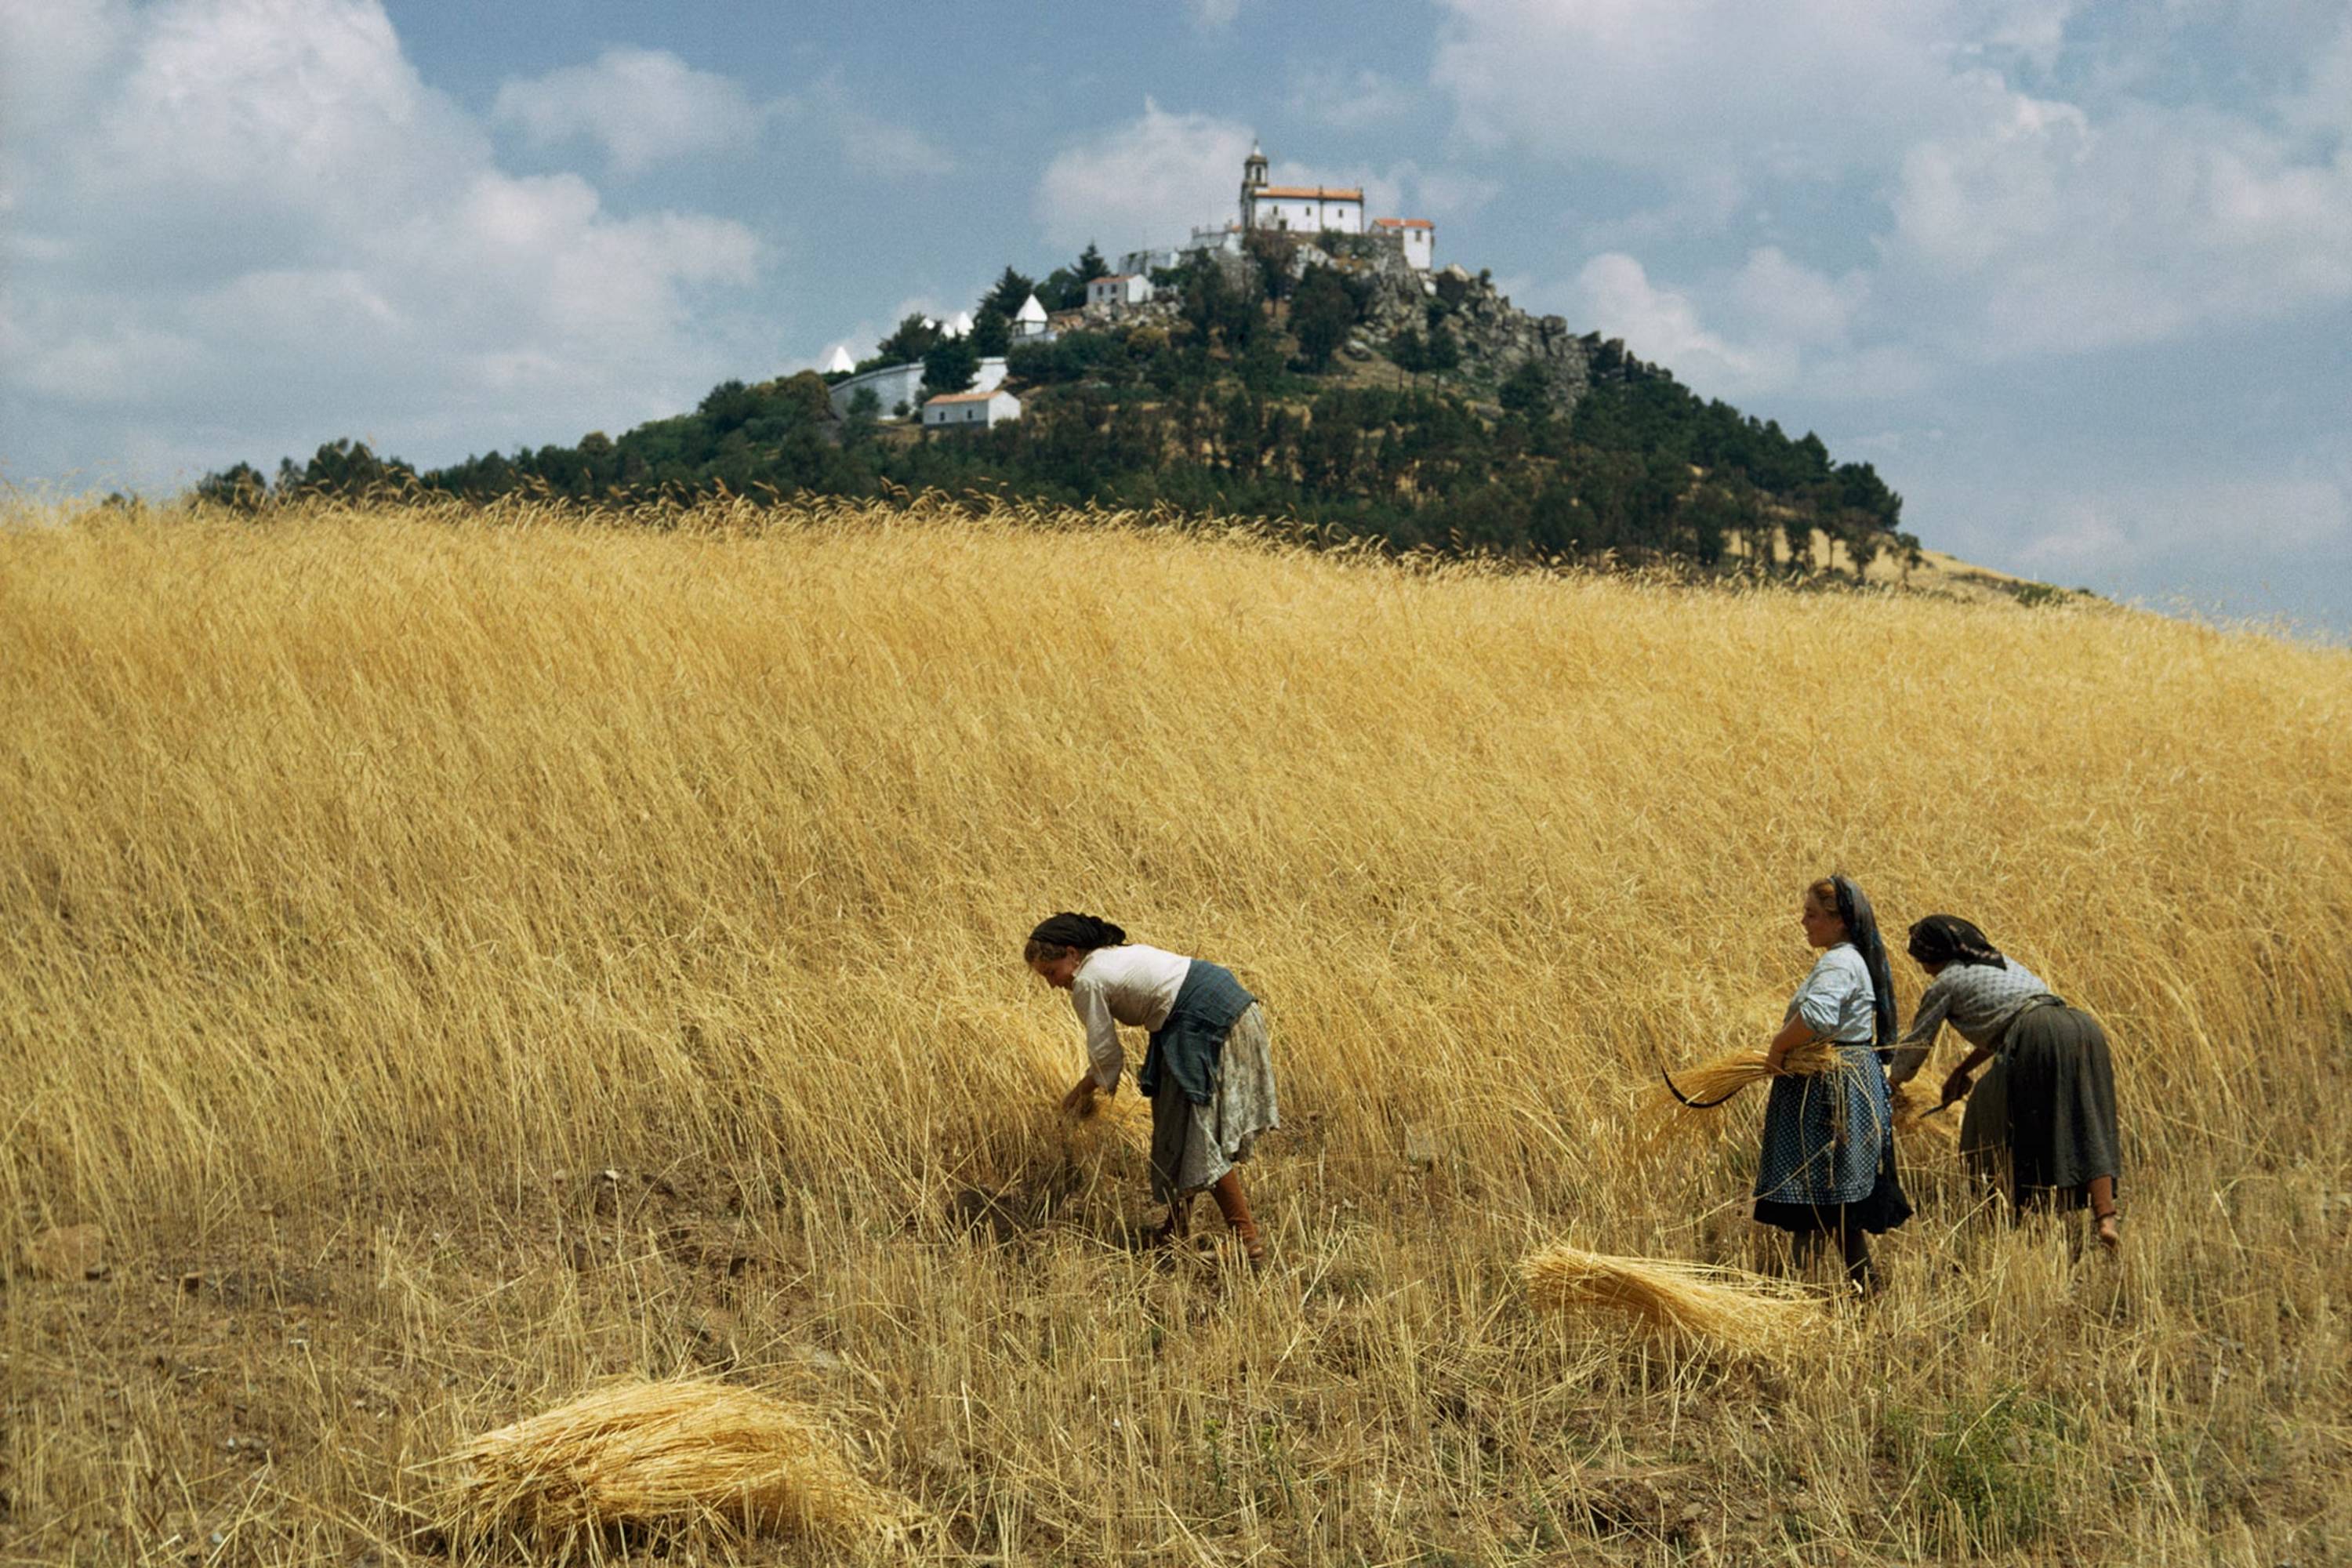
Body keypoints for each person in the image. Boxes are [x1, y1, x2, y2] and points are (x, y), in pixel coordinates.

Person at [1024, 913, 1279, 1265]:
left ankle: (1248, 1242)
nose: (1053, 984)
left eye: (1052, 973)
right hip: (1220, 1005)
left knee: (1197, 1133)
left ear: (1071, 953)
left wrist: (1072, 1100)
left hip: (1202, 1020)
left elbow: (1106, 1060)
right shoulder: (1107, 957)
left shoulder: (1088, 979)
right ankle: (1174, 1233)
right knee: (1174, 1126)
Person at [1889, 914, 2122, 1250]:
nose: (1923, 968)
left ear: (1932, 955)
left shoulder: (1945, 983)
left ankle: (2009, 1217)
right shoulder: (1999, 963)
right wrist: (1961, 1071)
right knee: (2087, 1117)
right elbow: (2010, 1021)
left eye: (1922, 959)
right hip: (2080, 1028)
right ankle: (2106, 1219)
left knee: (1991, 1122)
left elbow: (1917, 1044)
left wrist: (1892, 1084)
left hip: (2037, 1035)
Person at [1754, 875, 1911, 1295]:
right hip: (1841, 1082)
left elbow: (1820, 1017)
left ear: (1839, 920)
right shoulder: (1849, 958)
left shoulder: (1839, 962)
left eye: (1811, 914)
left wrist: (1777, 1048)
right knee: (1828, 1196)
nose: (1802, 921)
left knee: (1819, 1191)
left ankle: (1796, 1290)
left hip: (1830, 1091)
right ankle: (1857, 1285)